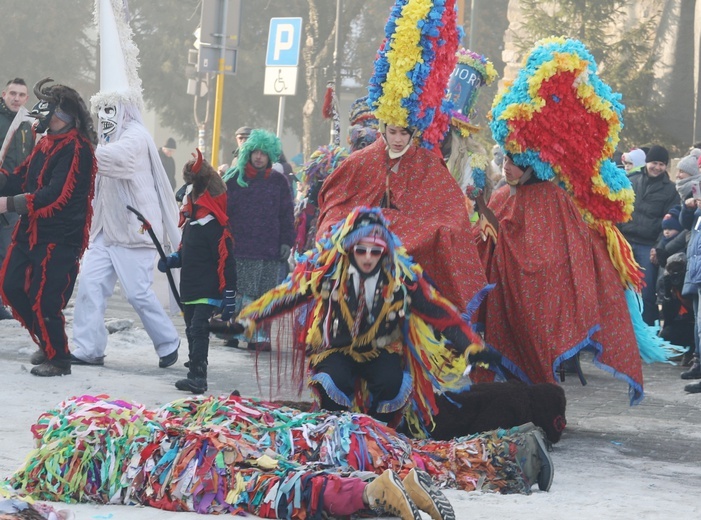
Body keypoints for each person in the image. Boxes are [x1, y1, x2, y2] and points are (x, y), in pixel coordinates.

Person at [479, 37, 667, 404]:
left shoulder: (553, 197)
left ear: (532, 163)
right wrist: (479, 212)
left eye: (514, 162)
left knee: (537, 356)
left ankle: (542, 400)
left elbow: (559, 252)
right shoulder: (502, 193)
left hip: (542, 300)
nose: (507, 167)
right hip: (504, 295)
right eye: (504, 160)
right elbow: (491, 235)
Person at [8, 394, 555, 520]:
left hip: (196, 461)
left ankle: (368, 491)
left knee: (268, 487)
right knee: (284, 468)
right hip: (223, 441)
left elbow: (34, 482)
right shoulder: (158, 417)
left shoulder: (69, 454)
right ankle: (380, 484)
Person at [229, 207, 501, 435]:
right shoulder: (327, 272)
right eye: (361, 250)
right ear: (349, 249)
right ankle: (336, 436)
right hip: (335, 348)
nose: (368, 257)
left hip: (381, 349)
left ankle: (380, 439)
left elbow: (439, 311)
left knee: (394, 386)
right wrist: (248, 320)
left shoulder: (401, 277)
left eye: (376, 251)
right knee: (332, 383)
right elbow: (287, 294)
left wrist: (470, 345)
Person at [70, 0, 181, 368]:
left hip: (135, 229)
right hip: (104, 231)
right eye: (101, 110)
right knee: (88, 286)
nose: (105, 116)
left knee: (138, 295)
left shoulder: (135, 136)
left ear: (125, 109)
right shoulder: (102, 139)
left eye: (111, 109)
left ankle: (168, 345)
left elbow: (118, 163)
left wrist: (82, 152)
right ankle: (87, 348)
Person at [0, 78, 97, 377]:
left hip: (59, 236)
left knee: (46, 299)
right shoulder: (45, 143)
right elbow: (23, 176)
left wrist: (8, 204)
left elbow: (54, 195)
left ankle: (59, 358)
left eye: (47, 108)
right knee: (10, 285)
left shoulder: (77, 149)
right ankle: (47, 341)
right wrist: (4, 180)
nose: (39, 113)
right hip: (31, 231)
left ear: (62, 115)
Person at [158, 150, 236, 394]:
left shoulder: (215, 228)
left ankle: (198, 376)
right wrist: (173, 260)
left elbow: (227, 262)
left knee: (199, 329)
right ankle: (195, 362)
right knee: (192, 329)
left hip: (207, 289)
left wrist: (229, 295)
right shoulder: (191, 225)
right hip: (190, 289)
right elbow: (186, 253)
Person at [221, 129, 294, 351]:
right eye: (255, 152)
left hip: (269, 249)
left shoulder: (278, 181)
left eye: (264, 153)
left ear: (270, 155)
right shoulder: (234, 178)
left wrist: (286, 242)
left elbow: (286, 214)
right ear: (248, 153)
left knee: (264, 294)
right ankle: (233, 333)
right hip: (240, 247)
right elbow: (222, 210)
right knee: (241, 291)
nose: (259, 157)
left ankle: (259, 337)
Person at [619, 145, 680, 325]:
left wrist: (659, 246)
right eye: (654, 163)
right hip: (624, 242)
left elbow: (669, 222)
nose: (657, 167)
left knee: (646, 293)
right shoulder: (631, 181)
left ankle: (648, 331)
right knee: (620, 289)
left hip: (648, 245)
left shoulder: (671, 190)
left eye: (662, 164)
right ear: (647, 163)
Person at [0, 78, 35, 320]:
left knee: (6, 251)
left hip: (12, 198)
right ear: (3, 94)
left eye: (21, 95)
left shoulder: (28, 124)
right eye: (12, 93)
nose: (16, 98)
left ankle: (2, 303)